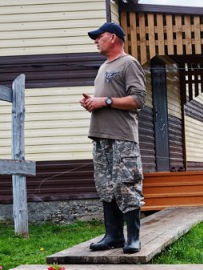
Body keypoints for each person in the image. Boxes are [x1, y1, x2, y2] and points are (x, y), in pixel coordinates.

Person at [80, 22, 146, 254]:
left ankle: (133, 238)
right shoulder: (103, 67)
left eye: (99, 37)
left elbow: (138, 100)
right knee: (106, 186)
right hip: (100, 137)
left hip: (122, 137)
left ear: (113, 38)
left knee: (126, 184)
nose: (96, 41)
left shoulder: (129, 63)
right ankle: (113, 236)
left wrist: (105, 101)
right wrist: (92, 103)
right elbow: (106, 100)